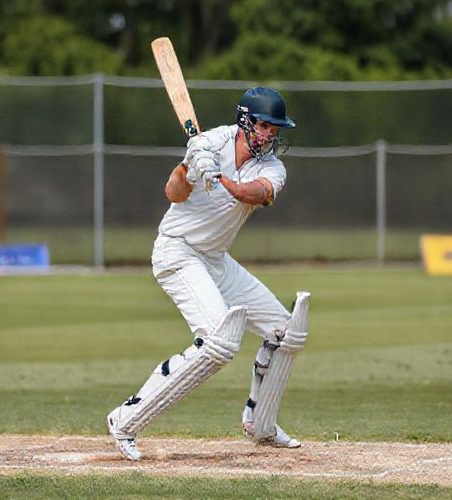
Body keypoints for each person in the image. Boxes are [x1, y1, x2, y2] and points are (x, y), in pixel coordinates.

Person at [107, 87, 310, 461]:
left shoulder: (272, 167)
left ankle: (260, 423)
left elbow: (255, 193)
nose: (269, 135)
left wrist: (220, 179)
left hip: (215, 259)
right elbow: (174, 192)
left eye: (274, 129)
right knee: (219, 342)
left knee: (287, 332)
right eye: (264, 126)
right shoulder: (210, 142)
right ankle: (125, 420)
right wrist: (188, 169)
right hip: (177, 252)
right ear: (246, 121)